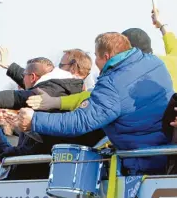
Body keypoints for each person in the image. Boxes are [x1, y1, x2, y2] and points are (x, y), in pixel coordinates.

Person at [18, 32, 174, 176]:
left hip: (143, 164)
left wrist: (35, 120)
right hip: (168, 154)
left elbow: (80, 121)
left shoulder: (112, 83)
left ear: (106, 57)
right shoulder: (155, 63)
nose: (95, 64)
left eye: (96, 57)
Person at [26, 9, 177, 111]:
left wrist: (56, 102)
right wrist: (161, 24)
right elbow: (172, 44)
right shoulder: (172, 59)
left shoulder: (130, 72)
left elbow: (95, 95)